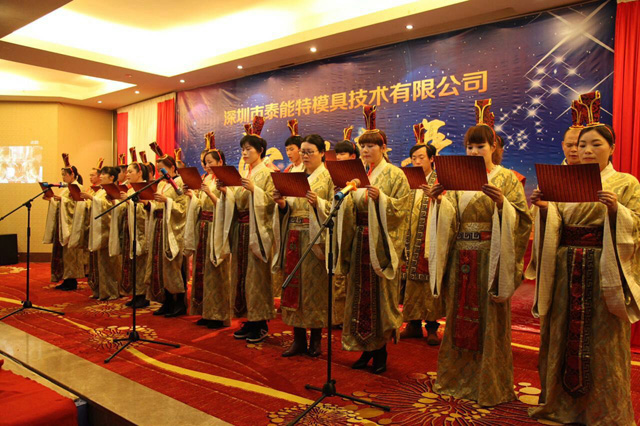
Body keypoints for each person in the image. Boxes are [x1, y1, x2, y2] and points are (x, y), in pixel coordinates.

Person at [528, 91, 639, 424]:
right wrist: (544, 209)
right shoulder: (566, 180)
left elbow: (637, 225)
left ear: (612, 148)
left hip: (604, 271)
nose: (587, 150)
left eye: (596, 144)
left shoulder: (625, 183)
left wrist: (617, 211)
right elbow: (556, 224)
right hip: (565, 269)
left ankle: (604, 412)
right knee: (561, 333)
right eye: (582, 145)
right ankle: (560, 404)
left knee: (603, 340)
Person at [427, 99, 532, 406]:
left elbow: (522, 220)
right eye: (470, 147)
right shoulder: (458, 176)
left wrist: (502, 204)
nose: (474, 152)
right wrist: (438, 201)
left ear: (493, 147)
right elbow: (451, 217)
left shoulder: (507, 178)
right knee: (458, 319)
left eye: (480, 147)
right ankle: (455, 379)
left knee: (488, 323)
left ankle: (489, 385)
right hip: (461, 257)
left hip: (490, 258)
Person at [337, 106, 410, 374]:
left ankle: (380, 351)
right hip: (359, 241)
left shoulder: (395, 174)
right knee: (359, 296)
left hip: (380, 245)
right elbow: (350, 207)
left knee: (380, 298)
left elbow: (402, 209)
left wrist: (383, 199)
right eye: (363, 146)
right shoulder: (359, 175)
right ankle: (364, 348)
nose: (366, 150)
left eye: (371, 146)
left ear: (383, 148)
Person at [215, 116, 276, 343]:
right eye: (242, 149)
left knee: (256, 277)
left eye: (249, 149)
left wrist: (255, 191)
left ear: (260, 151)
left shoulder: (267, 173)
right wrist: (225, 191)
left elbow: (272, 202)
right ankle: (249, 319)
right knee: (242, 276)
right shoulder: (246, 173)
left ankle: (260, 323)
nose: (244, 153)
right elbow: (237, 200)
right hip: (241, 230)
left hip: (257, 231)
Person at [272, 134, 334, 357]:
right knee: (293, 288)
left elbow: (337, 206)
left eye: (310, 152)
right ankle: (298, 339)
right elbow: (288, 207)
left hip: (315, 239)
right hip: (293, 236)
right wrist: (281, 203)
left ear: (322, 153)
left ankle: (316, 340)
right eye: (303, 152)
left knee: (315, 290)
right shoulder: (295, 174)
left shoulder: (329, 177)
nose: (305, 156)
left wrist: (318, 202)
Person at [400, 125, 443, 345]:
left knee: (430, 285)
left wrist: (437, 199)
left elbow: (448, 208)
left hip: (430, 241)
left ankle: (432, 327)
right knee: (412, 285)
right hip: (411, 243)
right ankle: (413, 325)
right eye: (414, 158)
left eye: (421, 157)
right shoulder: (408, 180)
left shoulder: (439, 181)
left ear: (432, 159)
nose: (416, 162)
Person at [185, 132, 232, 329]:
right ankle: (205, 311)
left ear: (220, 162)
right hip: (204, 227)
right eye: (205, 162)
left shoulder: (225, 179)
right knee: (202, 271)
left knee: (216, 271)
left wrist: (210, 193)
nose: (207, 165)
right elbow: (200, 204)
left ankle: (218, 314)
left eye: (210, 162)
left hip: (216, 228)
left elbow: (227, 205)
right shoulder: (206, 178)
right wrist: (192, 196)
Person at [147, 142, 188, 317]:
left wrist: (167, 202)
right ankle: (167, 300)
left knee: (174, 265)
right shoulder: (161, 184)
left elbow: (183, 207)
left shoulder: (179, 183)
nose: (159, 173)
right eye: (158, 170)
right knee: (161, 264)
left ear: (172, 168)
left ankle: (179, 301)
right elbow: (156, 204)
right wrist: (149, 205)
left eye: (162, 169)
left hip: (172, 228)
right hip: (160, 226)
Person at [109, 148, 151, 309]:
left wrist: (129, 201)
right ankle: (135, 292)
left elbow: (144, 212)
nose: (127, 174)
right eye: (127, 172)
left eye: (131, 172)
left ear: (139, 173)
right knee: (131, 263)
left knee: (141, 264)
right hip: (129, 230)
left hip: (141, 232)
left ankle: (142, 294)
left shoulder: (146, 188)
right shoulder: (131, 189)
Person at [43, 154, 86, 290]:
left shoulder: (78, 187)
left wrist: (62, 200)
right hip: (63, 224)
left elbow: (78, 205)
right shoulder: (66, 189)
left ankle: (71, 280)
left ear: (72, 175)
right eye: (62, 175)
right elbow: (63, 202)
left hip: (72, 226)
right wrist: (52, 199)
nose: (62, 177)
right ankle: (65, 278)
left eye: (64, 175)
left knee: (71, 253)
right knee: (63, 253)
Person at [79, 166, 122, 300]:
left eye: (104, 174)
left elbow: (112, 206)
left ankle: (111, 291)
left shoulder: (114, 190)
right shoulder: (101, 191)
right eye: (101, 174)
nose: (101, 176)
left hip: (107, 230)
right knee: (97, 262)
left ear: (112, 177)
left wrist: (92, 199)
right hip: (97, 229)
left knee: (108, 263)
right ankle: (99, 289)